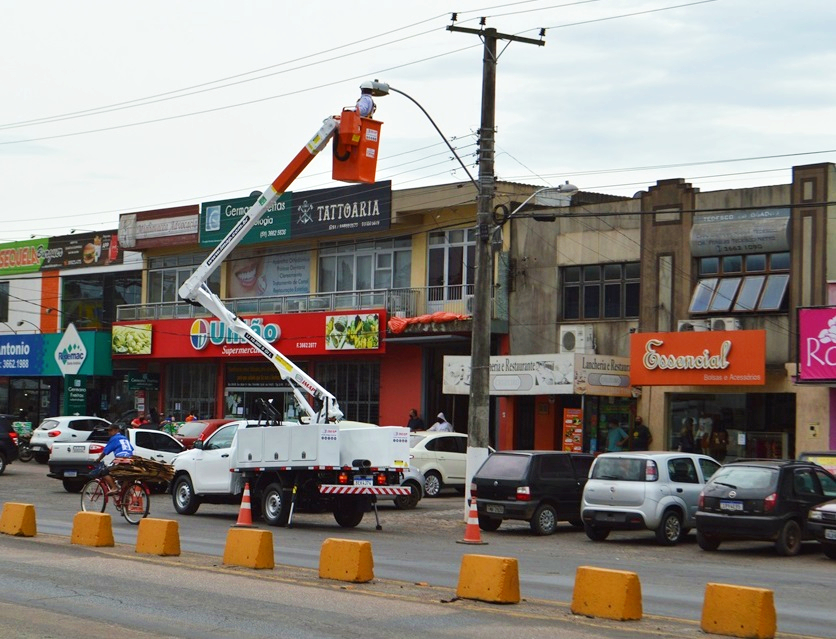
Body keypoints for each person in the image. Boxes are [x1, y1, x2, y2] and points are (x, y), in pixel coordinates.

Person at [95, 424, 135, 495]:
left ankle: (114, 487)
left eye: (111, 430)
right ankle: (124, 497)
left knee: (104, 472)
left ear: (116, 430)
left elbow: (105, 452)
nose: (109, 432)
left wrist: (98, 459)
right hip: (130, 459)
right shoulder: (124, 438)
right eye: (108, 431)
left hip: (121, 459)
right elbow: (131, 448)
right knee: (124, 479)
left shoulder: (114, 438)